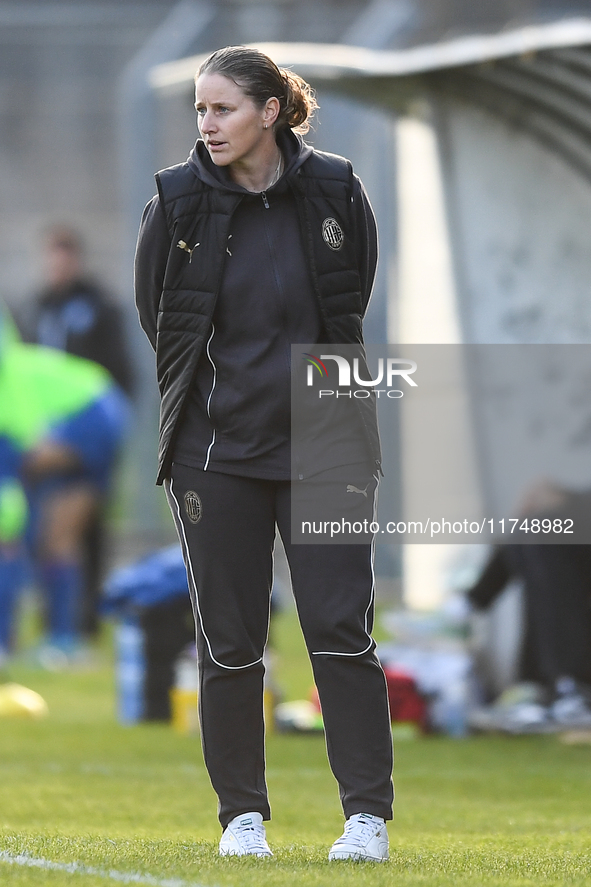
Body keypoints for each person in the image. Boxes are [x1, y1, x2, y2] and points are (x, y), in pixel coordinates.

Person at [134, 45, 393, 861]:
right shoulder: (176, 202)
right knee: (230, 639)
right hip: (214, 450)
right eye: (200, 110)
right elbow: (159, 317)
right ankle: (240, 817)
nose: (207, 125)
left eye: (223, 109)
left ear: (270, 112)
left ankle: (366, 819)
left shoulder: (334, 187)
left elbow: (352, 291)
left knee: (339, 630)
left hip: (326, 441)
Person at [19, 225, 133, 637]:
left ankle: (79, 623)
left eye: (64, 257)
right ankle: (59, 623)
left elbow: (121, 374)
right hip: (46, 430)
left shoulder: (100, 307)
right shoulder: (33, 309)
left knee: (80, 530)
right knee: (47, 528)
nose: (57, 266)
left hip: (90, 428)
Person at [0, 306, 129, 664]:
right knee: (55, 539)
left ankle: (57, 641)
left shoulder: (9, 378)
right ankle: (61, 639)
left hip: (91, 416)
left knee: (34, 536)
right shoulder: (13, 366)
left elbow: (27, 450)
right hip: (103, 408)